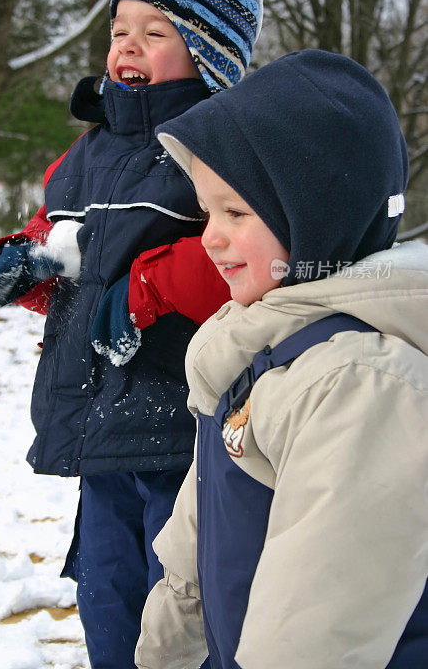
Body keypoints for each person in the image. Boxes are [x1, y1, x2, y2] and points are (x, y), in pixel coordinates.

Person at [0, 0, 263, 669]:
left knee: (190, 596)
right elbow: (66, 251)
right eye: (119, 29)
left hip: (186, 424)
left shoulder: (220, 142)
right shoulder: (84, 156)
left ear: (207, 54)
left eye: (155, 31)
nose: (126, 45)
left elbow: (246, 254)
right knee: (106, 591)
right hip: (100, 421)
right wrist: (25, 266)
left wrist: (149, 288)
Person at [130, 49, 428, 669]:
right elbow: (197, 543)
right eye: (208, 210)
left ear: (319, 216)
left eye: (236, 212)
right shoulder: (260, 354)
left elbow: (316, 635)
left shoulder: (358, 384)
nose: (210, 235)